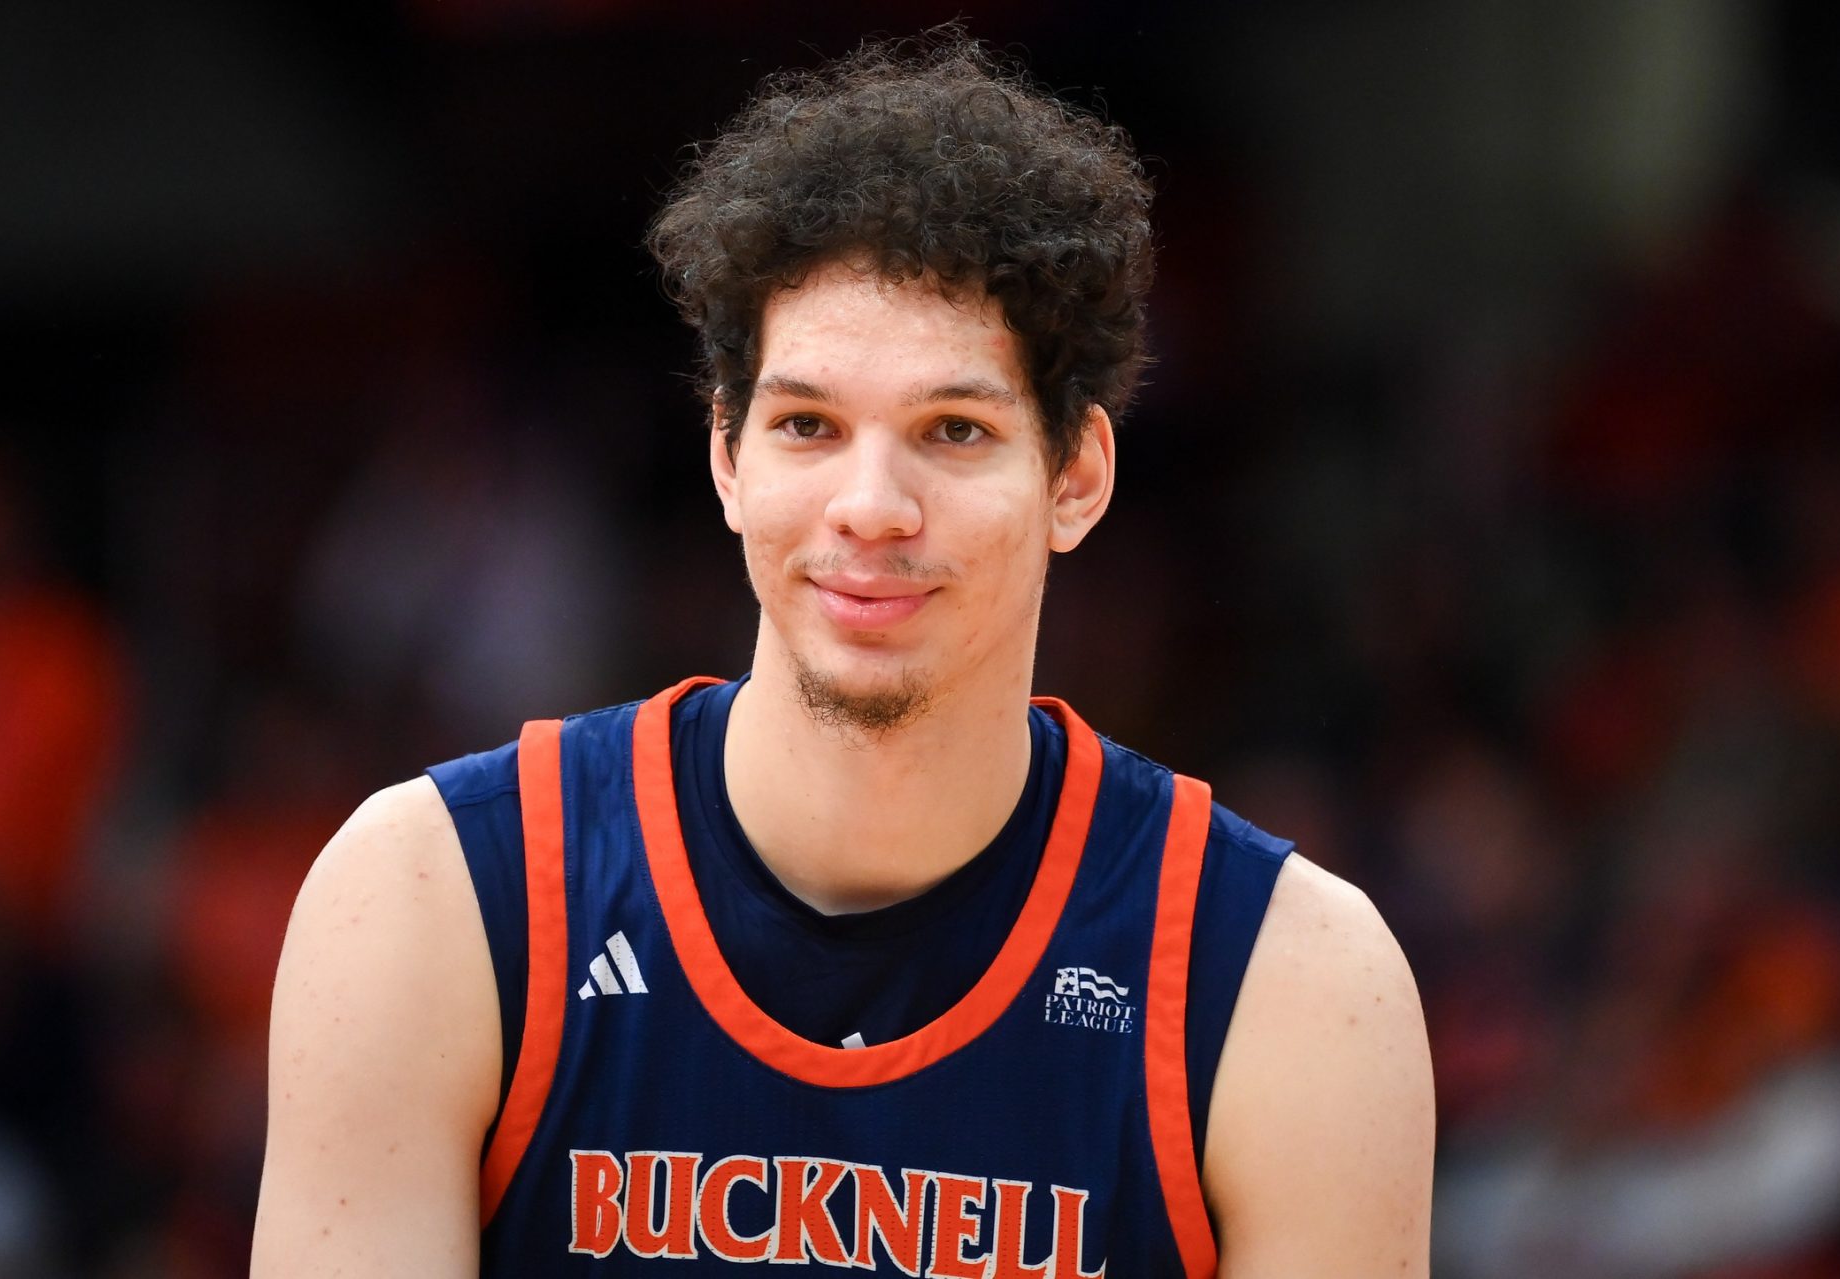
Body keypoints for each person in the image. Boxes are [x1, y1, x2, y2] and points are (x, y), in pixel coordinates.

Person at [252, 32, 1434, 1278]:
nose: (872, 504)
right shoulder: (432, 901)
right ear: (726, 456)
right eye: (808, 424)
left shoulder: (1287, 987)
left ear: (1076, 475)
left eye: (955, 429)